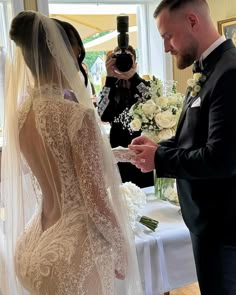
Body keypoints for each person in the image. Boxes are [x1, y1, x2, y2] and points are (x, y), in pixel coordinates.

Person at [0, 11, 143, 295]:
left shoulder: (20, 115)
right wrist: (122, 248)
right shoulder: (75, 115)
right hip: (76, 250)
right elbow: (95, 199)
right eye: (75, 57)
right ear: (57, 56)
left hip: (34, 243)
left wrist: (124, 154)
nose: (79, 67)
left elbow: (61, 159)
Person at [129, 1, 236, 294]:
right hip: (203, 220)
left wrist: (160, 158)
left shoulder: (229, 72)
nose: (166, 47)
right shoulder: (205, 70)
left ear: (192, 21)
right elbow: (191, 136)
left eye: (167, 36)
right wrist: (157, 147)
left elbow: (222, 159)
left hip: (222, 227)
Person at [97, 45, 154, 188]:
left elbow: (155, 103)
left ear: (135, 63)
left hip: (141, 147)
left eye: (127, 58)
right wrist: (110, 78)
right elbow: (101, 114)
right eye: (118, 58)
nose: (123, 62)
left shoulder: (144, 85)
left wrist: (133, 77)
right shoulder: (110, 87)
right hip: (118, 149)